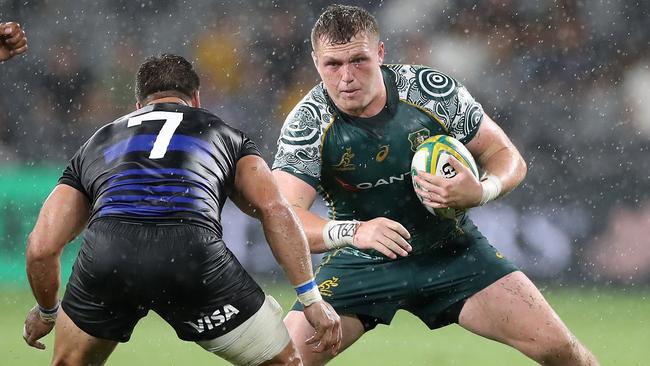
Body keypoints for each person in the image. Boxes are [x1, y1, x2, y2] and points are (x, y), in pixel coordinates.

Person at [272, 4, 599, 366]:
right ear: (316, 61)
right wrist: (354, 231)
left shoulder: (430, 92)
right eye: (333, 65)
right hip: (361, 263)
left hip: (452, 251)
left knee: (563, 352)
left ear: (380, 54)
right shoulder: (307, 123)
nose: (346, 76)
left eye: (359, 61)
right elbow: (284, 217)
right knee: (283, 362)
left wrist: (482, 189)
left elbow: (506, 155)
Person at [23, 53, 342, 366]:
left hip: (108, 256)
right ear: (196, 99)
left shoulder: (97, 142)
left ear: (139, 106)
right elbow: (274, 208)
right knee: (283, 363)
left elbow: (41, 247)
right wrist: (310, 298)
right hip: (190, 255)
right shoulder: (227, 134)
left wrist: (47, 311)